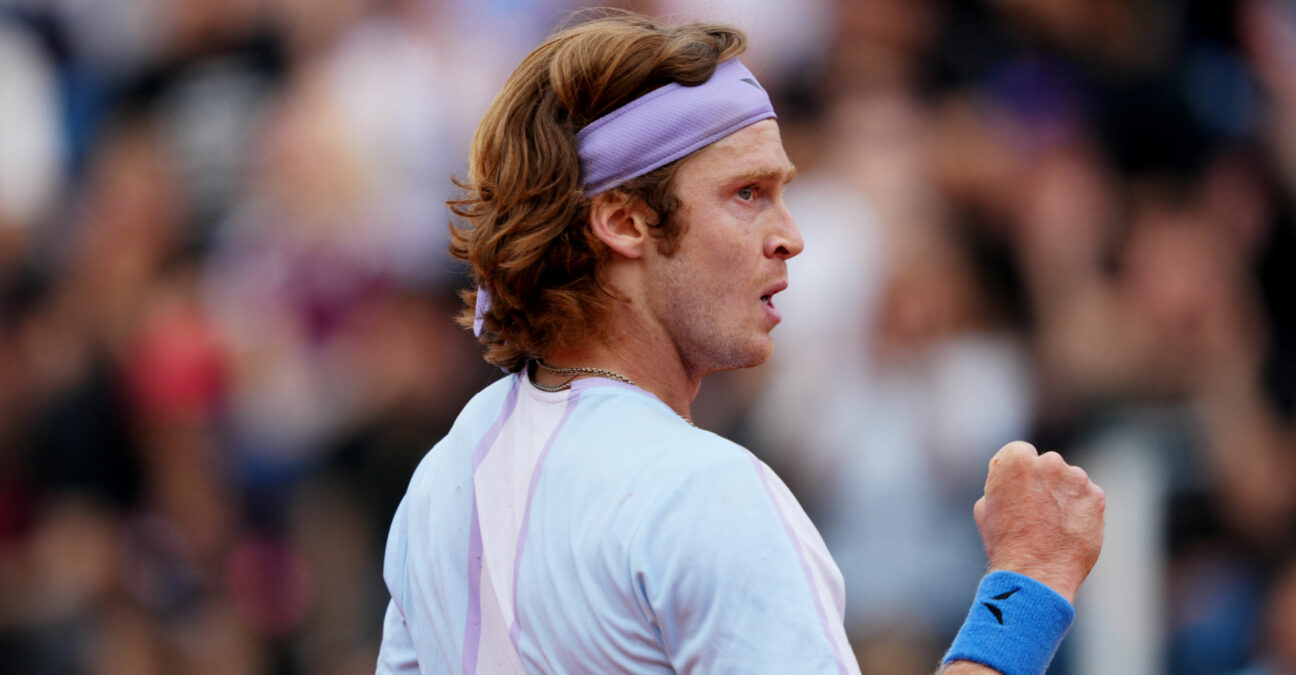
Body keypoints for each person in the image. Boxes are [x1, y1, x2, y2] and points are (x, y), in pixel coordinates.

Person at [376, 12, 1105, 675]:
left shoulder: (441, 483)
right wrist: (1027, 586)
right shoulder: (704, 492)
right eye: (748, 193)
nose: (791, 235)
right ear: (625, 222)